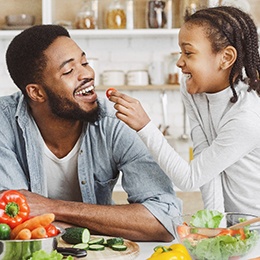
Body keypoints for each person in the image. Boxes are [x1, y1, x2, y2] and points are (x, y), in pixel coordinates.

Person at [0, 24, 182, 242]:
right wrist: (107, 224)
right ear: (37, 92)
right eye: (68, 71)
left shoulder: (116, 121)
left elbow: (165, 221)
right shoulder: (4, 122)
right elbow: (12, 221)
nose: (87, 73)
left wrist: (52, 208)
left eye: (84, 62)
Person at [109, 6, 260, 215]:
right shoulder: (193, 90)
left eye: (188, 53)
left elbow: (190, 179)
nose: (180, 62)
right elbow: (205, 162)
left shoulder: (247, 117)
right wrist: (216, 225)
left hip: (255, 225)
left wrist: (145, 126)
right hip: (235, 226)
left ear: (226, 57)